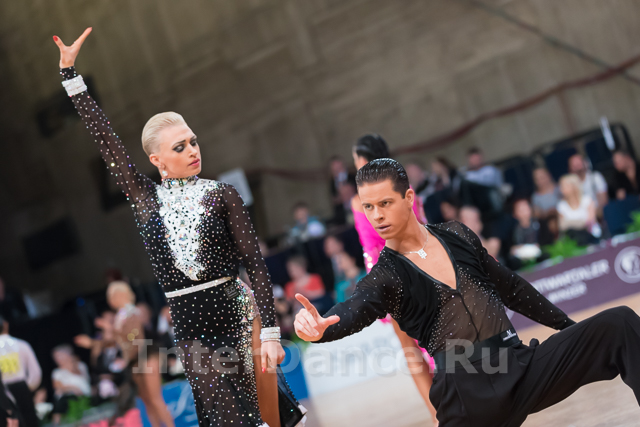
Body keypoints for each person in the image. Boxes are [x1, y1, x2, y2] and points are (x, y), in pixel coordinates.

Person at [294, 158, 640, 427]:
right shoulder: (386, 274)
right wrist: (323, 327)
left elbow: (512, 289)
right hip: (466, 397)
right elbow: (356, 307)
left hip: (518, 366)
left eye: (385, 203)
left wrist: (570, 332)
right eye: (368, 207)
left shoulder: (456, 234)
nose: (377, 216)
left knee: (619, 324)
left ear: (409, 198)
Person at [53, 28, 285, 427]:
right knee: (226, 418)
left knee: (264, 419)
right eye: (180, 147)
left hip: (238, 313)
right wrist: (70, 77)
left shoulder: (222, 194)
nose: (192, 150)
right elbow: (106, 141)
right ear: (157, 160)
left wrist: (271, 333)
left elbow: (255, 262)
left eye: (193, 141)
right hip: (190, 323)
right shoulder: (145, 198)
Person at [351, 135, 436, 424]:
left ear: (364, 161)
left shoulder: (361, 200)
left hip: (388, 276)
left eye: (356, 160)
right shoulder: (404, 188)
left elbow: (373, 243)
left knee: (411, 349)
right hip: (420, 265)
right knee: (435, 338)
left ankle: (439, 416)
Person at [0, 316, 41, 427]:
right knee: (30, 422)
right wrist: (27, 388)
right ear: (6, 325)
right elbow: (36, 372)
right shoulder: (21, 344)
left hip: (3, 393)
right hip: (22, 388)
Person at [51, 344, 91, 424]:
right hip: (67, 398)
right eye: (55, 357)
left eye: (59, 356)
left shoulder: (80, 365)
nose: (57, 359)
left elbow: (83, 378)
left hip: (84, 395)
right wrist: (73, 388)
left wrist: (72, 364)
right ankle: (56, 423)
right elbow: (58, 387)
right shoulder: (57, 372)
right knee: (62, 400)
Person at [557, 174, 600, 245]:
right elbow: (562, 226)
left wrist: (569, 223)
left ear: (573, 186)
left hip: (591, 237)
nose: (561, 189)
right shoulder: (561, 205)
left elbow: (590, 221)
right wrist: (581, 222)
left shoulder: (587, 200)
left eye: (564, 186)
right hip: (573, 240)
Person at [531, 167, 561, 236]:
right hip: (548, 231)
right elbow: (536, 214)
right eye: (537, 179)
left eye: (542, 177)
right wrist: (547, 214)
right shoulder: (535, 197)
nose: (540, 181)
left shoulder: (560, 188)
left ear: (548, 176)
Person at [328, 156, 356, 225]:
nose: (338, 171)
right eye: (335, 170)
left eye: (339, 168)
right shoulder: (332, 183)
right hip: (342, 216)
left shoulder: (353, 177)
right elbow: (335, 200)